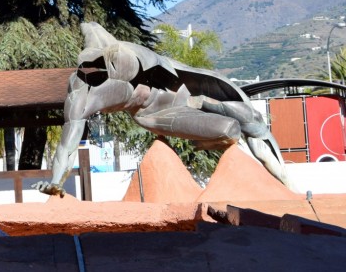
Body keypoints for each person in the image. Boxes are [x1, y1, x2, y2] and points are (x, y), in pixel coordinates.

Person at [36, 22, 290, 196]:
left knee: (245, 117)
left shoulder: (133, 57)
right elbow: (68, 142)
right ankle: (213, 140)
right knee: (231, 127)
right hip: (155, 114)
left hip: (186, 95)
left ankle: (286, 182)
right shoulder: (82, 91)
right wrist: (56, 182)